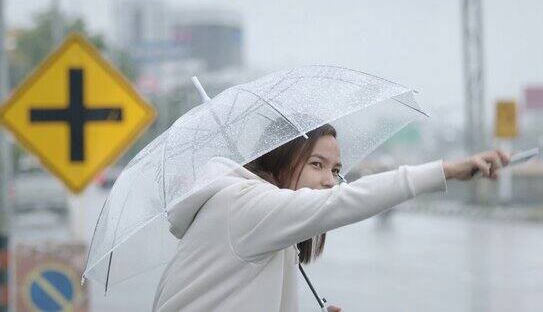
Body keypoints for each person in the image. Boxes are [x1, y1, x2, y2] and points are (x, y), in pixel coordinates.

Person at [152, 123, 510, 312]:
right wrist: (446, 170)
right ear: (278, 161)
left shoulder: (268, 226)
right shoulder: (244, 206)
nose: (328, 180)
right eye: (316, 164)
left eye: (336, 169)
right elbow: (345, 201)